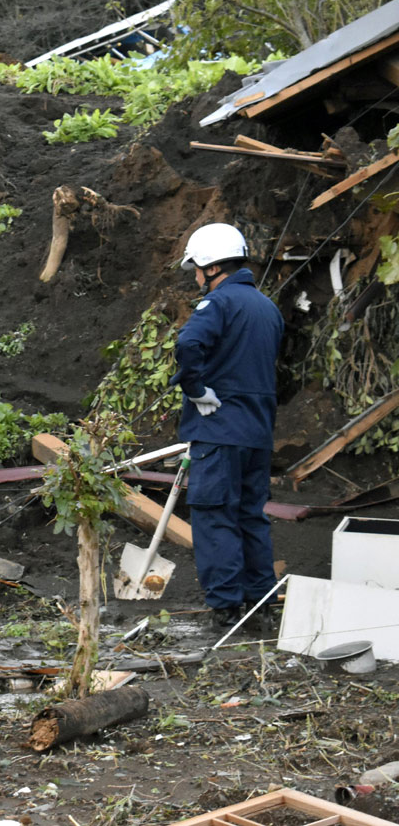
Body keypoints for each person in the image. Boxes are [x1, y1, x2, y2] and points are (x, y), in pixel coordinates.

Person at [173, 222, 284, 632]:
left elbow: (188, 344)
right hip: (258, 432)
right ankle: (261, 607)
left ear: (211, 265)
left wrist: (195, 387)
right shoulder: (267, 307)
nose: (197, 279)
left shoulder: (218, 304)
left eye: (197, 270)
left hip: (218, 432)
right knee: (251, 516)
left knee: (214, 515)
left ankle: (225, 609)